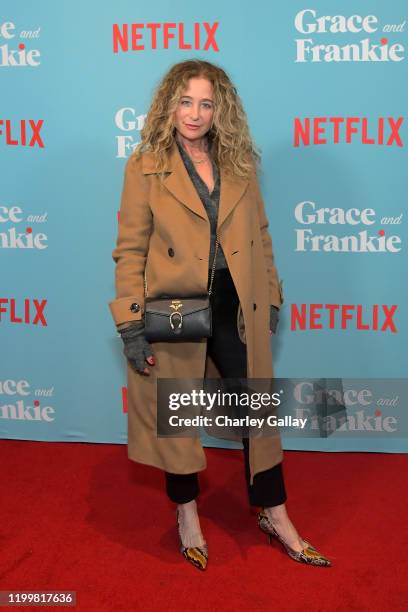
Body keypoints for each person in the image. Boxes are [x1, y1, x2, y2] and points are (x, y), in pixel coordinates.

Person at [109, 59, 331, 571]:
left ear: (220, 109)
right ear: (169, 103)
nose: (194, 113)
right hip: (175, 309)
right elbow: (130, 250)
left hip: (237, 302)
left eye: (206, 103)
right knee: (178, 416)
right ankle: (187, 515)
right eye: (185, 101)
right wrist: (130, 324)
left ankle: (276, 514)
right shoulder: (144, 164)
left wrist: (270, 295)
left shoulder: (240, 161)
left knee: (256, 412)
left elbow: (263, 234)